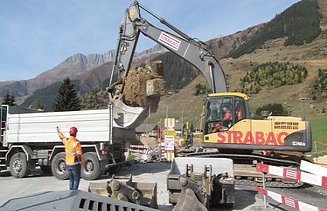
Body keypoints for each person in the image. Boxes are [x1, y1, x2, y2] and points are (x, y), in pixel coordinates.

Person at [57, 126, 82, 190]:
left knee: (71, 179)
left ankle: (71, 192)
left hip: (68, 164)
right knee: (76, 179)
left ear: (69, 133)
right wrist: (80, 162)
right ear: (75, 134)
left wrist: (58, 131)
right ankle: (74, 193)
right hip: (75, 164)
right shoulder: (76, 143)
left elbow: (61, 137)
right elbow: (79, 154)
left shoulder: (67, 141)